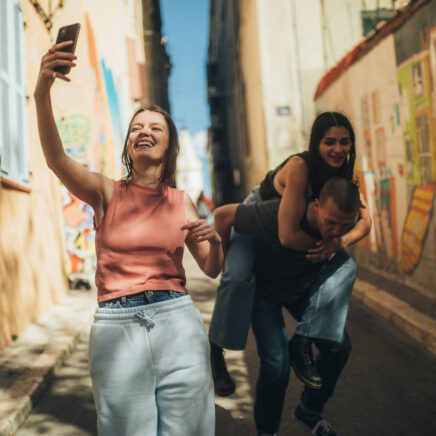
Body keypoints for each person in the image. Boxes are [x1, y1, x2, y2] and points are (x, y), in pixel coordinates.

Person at [34, 41, 223, 436]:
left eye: (155, 128)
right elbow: (56, 159)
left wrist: (216, 241)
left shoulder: (181, 201)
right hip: (117, 326)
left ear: (169, 144)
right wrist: (42, 91)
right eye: (137, 127)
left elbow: (211, 267)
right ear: (129, 146)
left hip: (177, 323)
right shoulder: (106, 192)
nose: (144, 131)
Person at [209, 112, 371, 396]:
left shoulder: (348, 174)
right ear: (315, 144)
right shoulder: (300, 167)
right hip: (259, 217)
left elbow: (367, 222)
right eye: (329, 142)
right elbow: (287, 234)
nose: (338, 149)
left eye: (345, 142)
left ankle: (305, 338)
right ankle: (216, 351)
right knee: (236, 278)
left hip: (288, 224)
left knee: (345, 265)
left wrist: (337, 243)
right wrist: (223, 256)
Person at [214, 177, 366, 436]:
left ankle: (309, 410)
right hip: (265, 293)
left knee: (340, 346)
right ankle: (267, 431)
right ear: (316, 205)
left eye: (344, 225)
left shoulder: (338, 234)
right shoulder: (274, 214)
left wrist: (341, 240)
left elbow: (364, 223)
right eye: (330, 222)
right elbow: (223, 214)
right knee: (277, 365)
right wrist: (227, 266)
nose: (336, 232)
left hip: (302, 291)